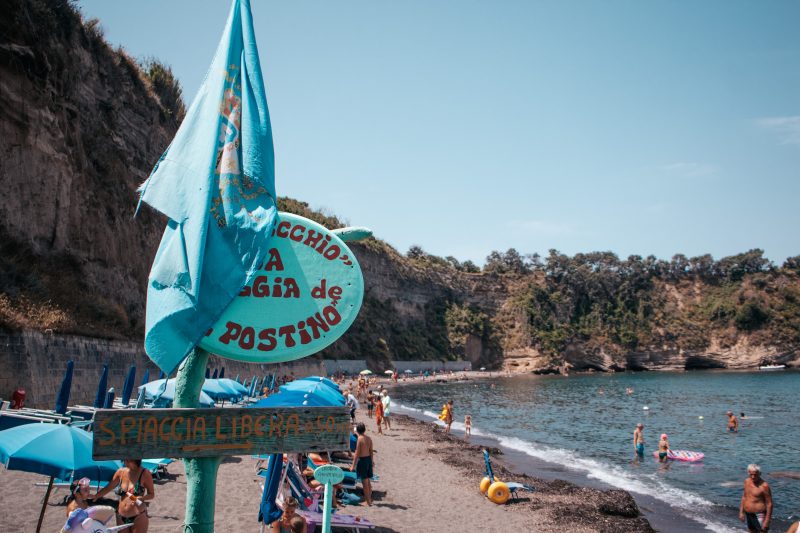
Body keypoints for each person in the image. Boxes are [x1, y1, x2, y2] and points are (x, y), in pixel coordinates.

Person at [92, 458, 154, 532]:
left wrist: (142, 498)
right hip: (121, 515)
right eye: (124, 459)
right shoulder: (121, 472)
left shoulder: (144, 473)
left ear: (134, 459)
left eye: (126, 460)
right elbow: (109, 487)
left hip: (138, 515)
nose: (124, 462)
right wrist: (96, 496)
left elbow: (151, 494)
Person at [739, 464, 773, 532]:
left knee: (762, 531)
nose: (753, 476)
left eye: (755, 474)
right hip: (748, 513)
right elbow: (744, 497)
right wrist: (741, 512)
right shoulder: (746, 481)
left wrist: (767, 521)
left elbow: (769, 504)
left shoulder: (764, 486)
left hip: (759, 515)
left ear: (760, 474)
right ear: (748, 473)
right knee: (751, 531)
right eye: (751, 474)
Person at [351, 422, 374, 505]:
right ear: (364, 429)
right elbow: (371, 451)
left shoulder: (359, 439)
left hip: (363, 461)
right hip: (368, 460)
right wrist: (371, 461)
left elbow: (357, 453)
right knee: (367, 480)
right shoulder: (369, 438)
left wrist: (353, 466)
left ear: (357, 430)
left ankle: (368, 502)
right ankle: (369, 499)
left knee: (364, 482)